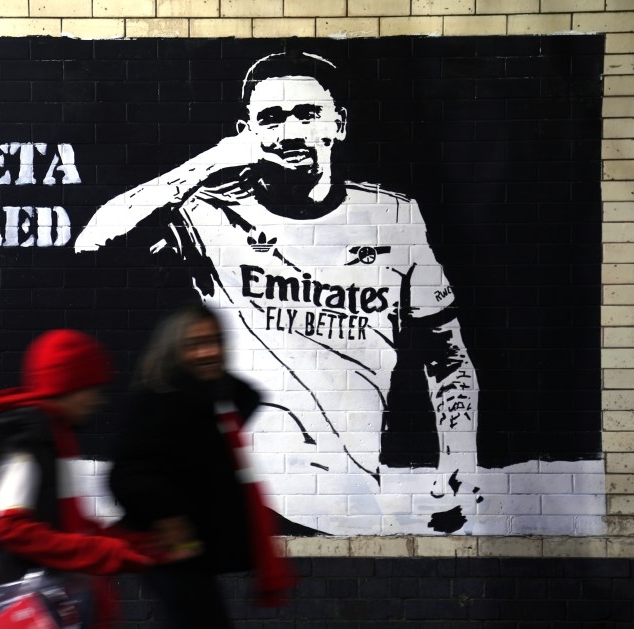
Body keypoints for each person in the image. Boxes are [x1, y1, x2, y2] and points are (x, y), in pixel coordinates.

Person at [77, 51, 480, 535]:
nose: (290, 132)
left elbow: (447, 354)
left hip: (346, 502)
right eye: (271, 119)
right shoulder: (207, 214)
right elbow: (92, 245)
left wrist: (460, 459)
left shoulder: (394, 218)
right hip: (233, 491)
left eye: (307, 114)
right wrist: (214, 160)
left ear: (339, 124)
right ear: (247, 130)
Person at [109, 303, 295, 629]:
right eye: (194, 345)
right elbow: (125, 474)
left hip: (195, 553)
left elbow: (246, 396)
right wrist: (168, 516)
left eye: (214, 341)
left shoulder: (209, 404)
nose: (208, 352)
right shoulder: (158, 403)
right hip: (171, 553)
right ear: (174, 350)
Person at [0, 329, 154, 629]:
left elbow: (64, 523)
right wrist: (103, 551)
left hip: (34, 600)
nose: (98, 401)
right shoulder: (28, 442)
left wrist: (131, 543)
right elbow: (10, 527)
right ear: (68, 384)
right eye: (92, 388)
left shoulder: (55, 437)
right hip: (17, 604)